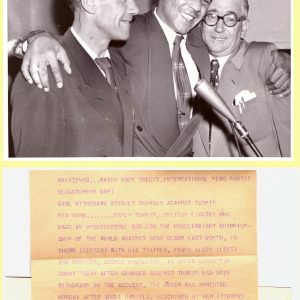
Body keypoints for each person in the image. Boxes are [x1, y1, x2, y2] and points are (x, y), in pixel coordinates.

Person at [14, 0, 291, 157]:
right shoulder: (125, 32)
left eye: (204, 0)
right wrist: (35, 40)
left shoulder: (203, 38)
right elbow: (82, 40)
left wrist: (282, 59)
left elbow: (241, 46)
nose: (195, 6)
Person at [10, 0, 139, 157]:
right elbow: (39, 176)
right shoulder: (44, 71)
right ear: (90, 3)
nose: (135, 9)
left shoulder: (123, 65)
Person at [191, 0, 290, 156]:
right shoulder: (187, 61)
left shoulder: (263, 59)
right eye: (211, 16)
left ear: (243, 27)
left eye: (230, 19)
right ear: (201, 22)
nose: (219, 28)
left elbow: (290, 134)